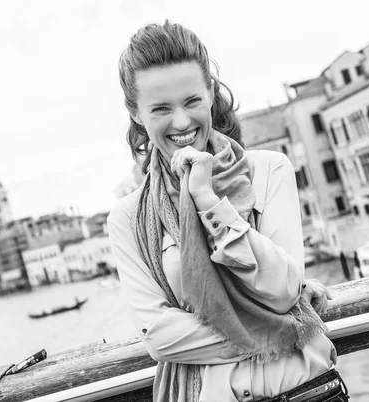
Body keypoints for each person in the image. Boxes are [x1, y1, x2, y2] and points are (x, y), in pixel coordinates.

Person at [108, 21, 347, 402]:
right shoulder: (128, 219)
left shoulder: (270, 171)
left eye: (192, 101)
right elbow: (160, 337)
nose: (182, 122)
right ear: (136, 114)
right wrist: (278, 325)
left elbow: (284, 291)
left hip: (310, 394)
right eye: (161, 109)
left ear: (211, 95)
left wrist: (208, 200)